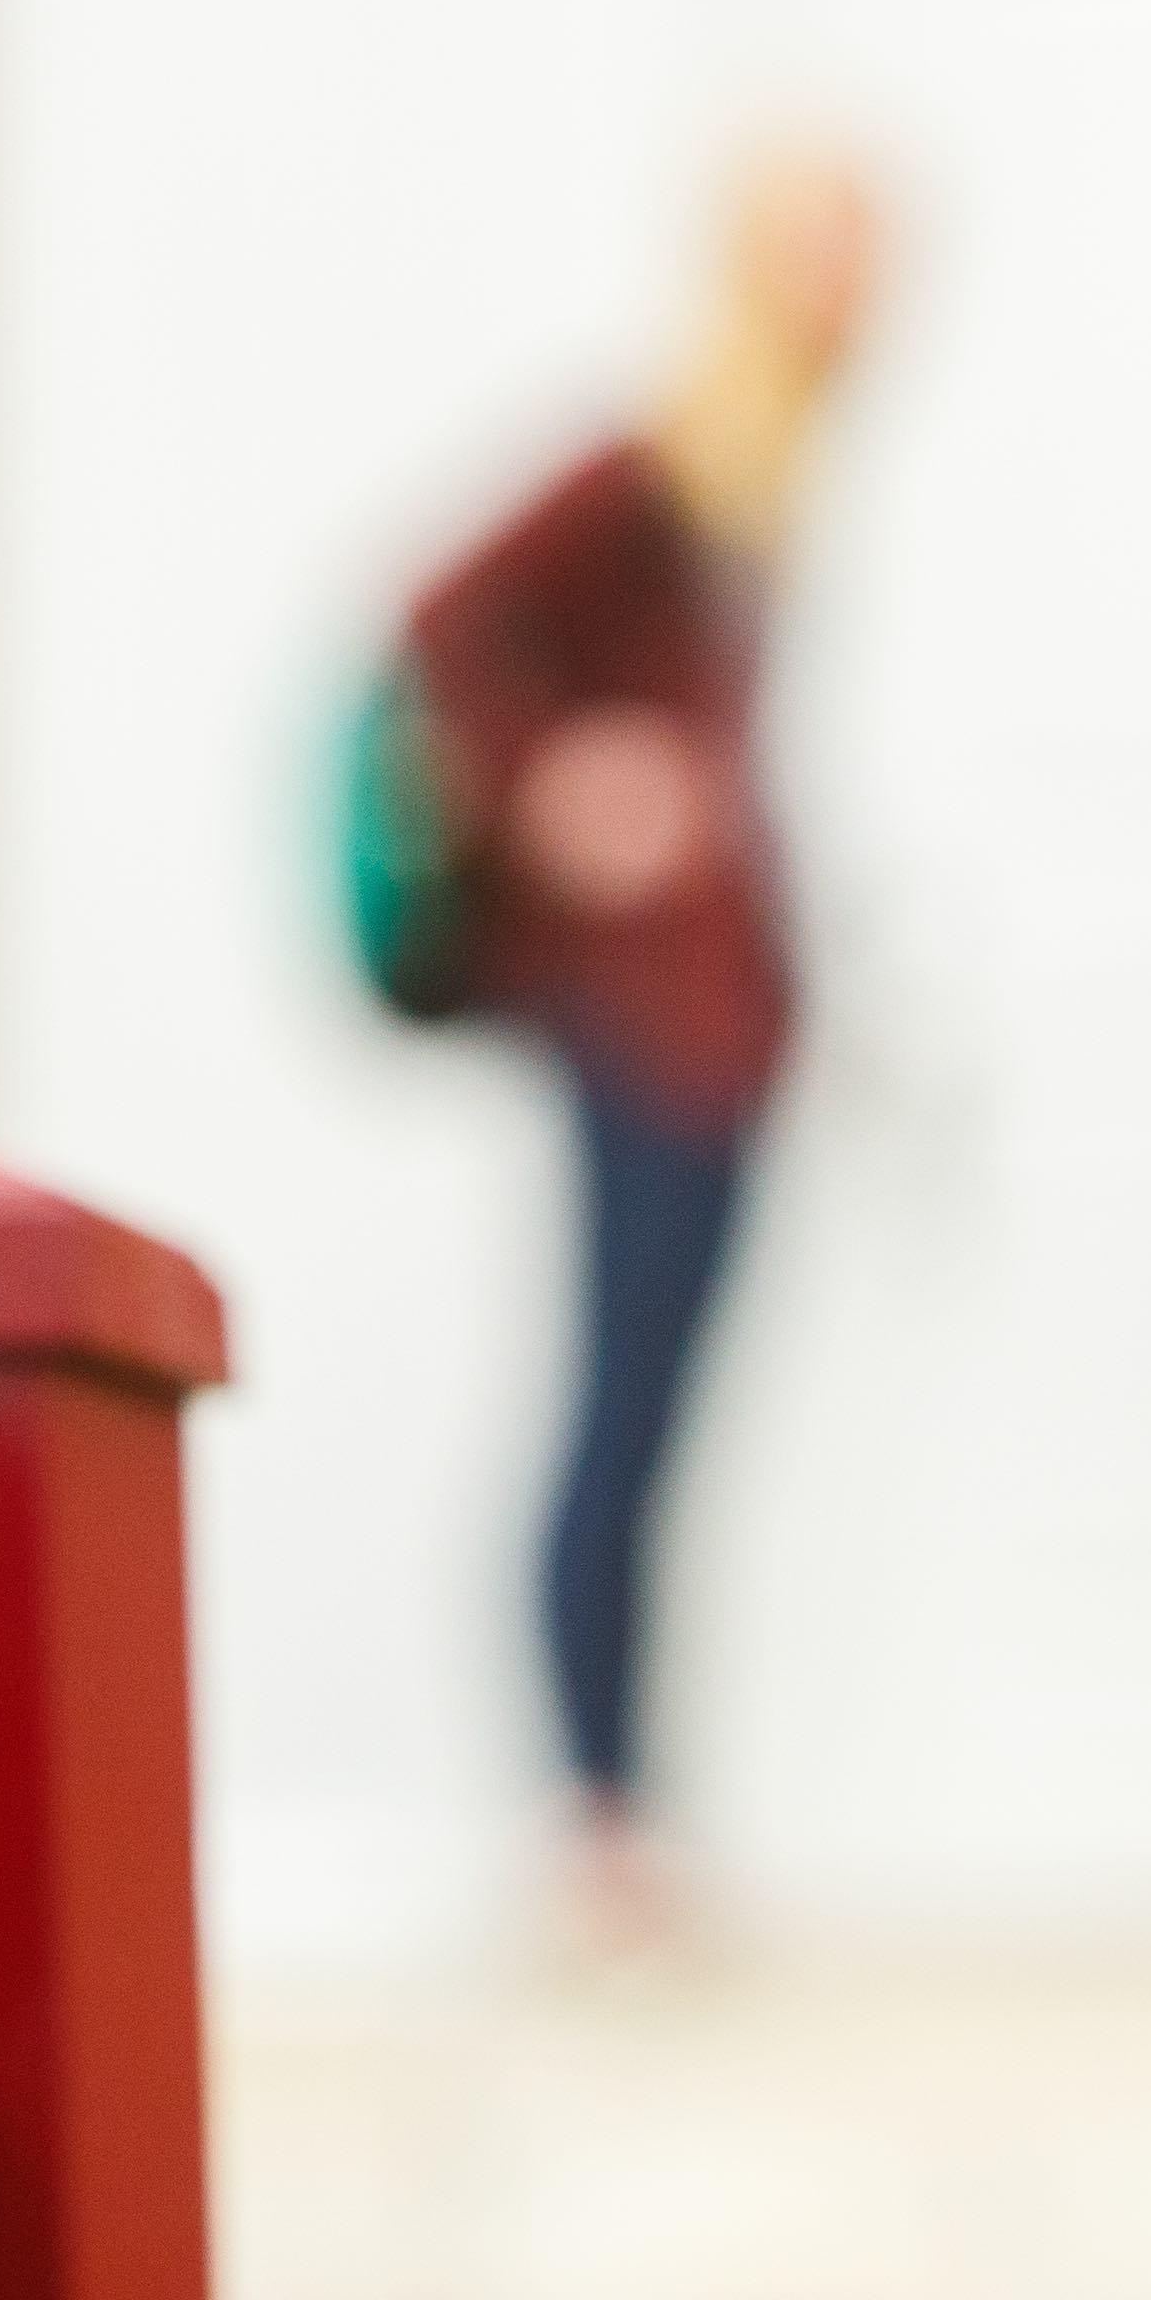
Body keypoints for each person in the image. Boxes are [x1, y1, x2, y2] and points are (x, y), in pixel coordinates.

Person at [401, 149, 883, 1937]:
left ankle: (630, 1801)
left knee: (664, 1417)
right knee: (616, 1409)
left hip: (726, 1030)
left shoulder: (765, 491)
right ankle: (592, 1808)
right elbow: (436, 617)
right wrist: (553, 785)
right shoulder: (652, 467)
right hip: (642, 1032)